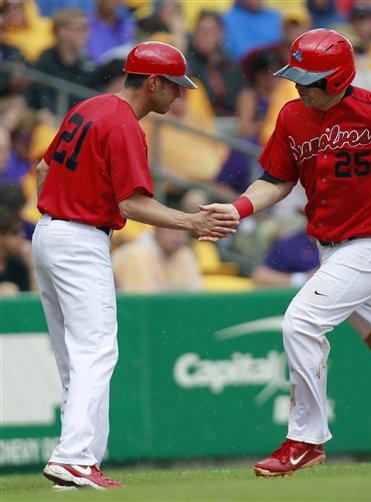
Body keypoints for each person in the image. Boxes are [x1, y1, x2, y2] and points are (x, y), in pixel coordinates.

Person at [200, 29, 371, 477]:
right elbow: (276, 179)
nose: (296, 84)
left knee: (300, 322)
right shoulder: (293, 116)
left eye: (307, 77)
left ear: (335, 79)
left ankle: (306, 439)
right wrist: (238, 207)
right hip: (331, 249)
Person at [33, 41, 238, 491]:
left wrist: (56, 211)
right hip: (80, 237)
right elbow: (131, 202)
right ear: (152, 82)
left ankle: (79, 460)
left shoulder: (90, 107)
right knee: (97, 349)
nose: (179, 95)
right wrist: (192, 220)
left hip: (49, 233)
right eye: (174, 86)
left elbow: (43, 170)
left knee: (76, 358)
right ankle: (72, 457)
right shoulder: (124, 124)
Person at [25, 8, 96, 115]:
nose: (87, 34)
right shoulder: (45, 61)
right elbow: (41, 101)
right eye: (81, 29)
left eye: (87, 29)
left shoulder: (87, 63)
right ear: (63, 32)